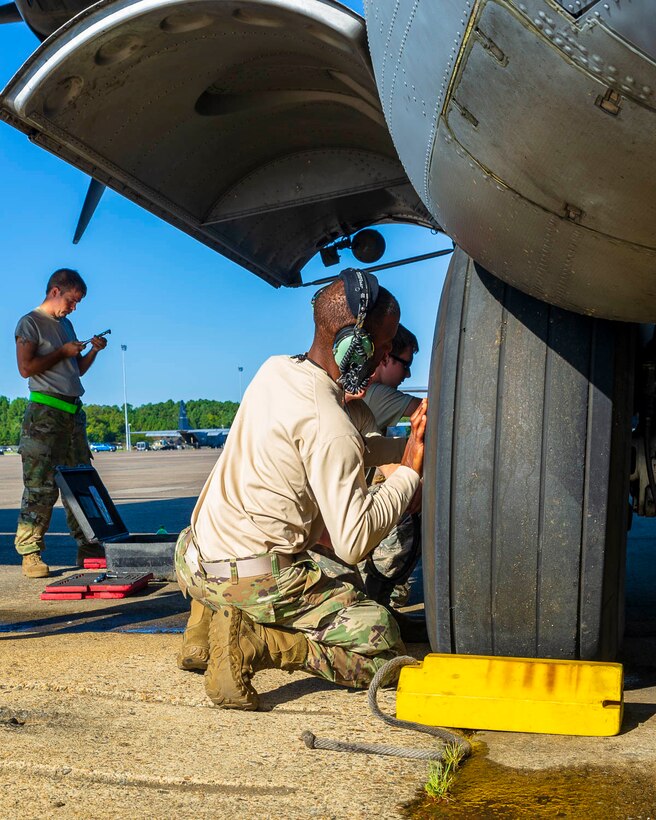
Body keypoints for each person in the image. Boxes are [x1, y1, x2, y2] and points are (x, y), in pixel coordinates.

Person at [175, 269, 427, 710]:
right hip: (252, 578)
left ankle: (205, 626)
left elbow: (331, 437)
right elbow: (352, 542)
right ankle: (261, 642)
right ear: (357, 346)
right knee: (386, 644)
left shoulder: (275, 370)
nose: (387, 355)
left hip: (193, 562)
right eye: (384, 346)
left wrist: (405, 442)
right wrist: (408, 471)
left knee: (326, 572)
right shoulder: (329, 426)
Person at [15, 268, 108, 578]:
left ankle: (89, 547)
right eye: (72, 299)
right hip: (44, 415)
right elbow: (26, 368)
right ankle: (30, 553)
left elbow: (76, 370)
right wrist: (61, 352)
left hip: (72, 414)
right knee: (40, 486)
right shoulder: (29, 323)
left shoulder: (66, 325)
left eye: (78, 302)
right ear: (55, 291)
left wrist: (92, 350)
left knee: (80, 482)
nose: (74, 307)